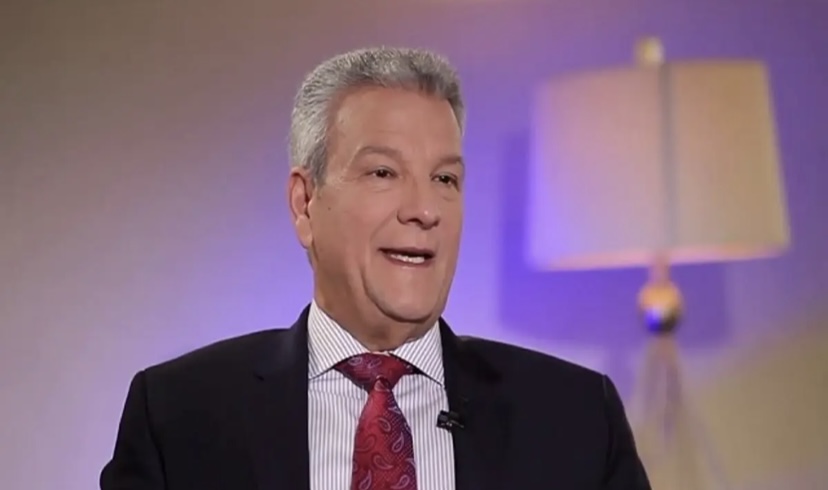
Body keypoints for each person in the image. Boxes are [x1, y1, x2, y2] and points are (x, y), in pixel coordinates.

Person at [100, 46, 651, 490]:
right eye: (384, 173)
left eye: (445, 179)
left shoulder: (577, 416)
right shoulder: (178, 414)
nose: (425, 210)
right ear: (305, 203)